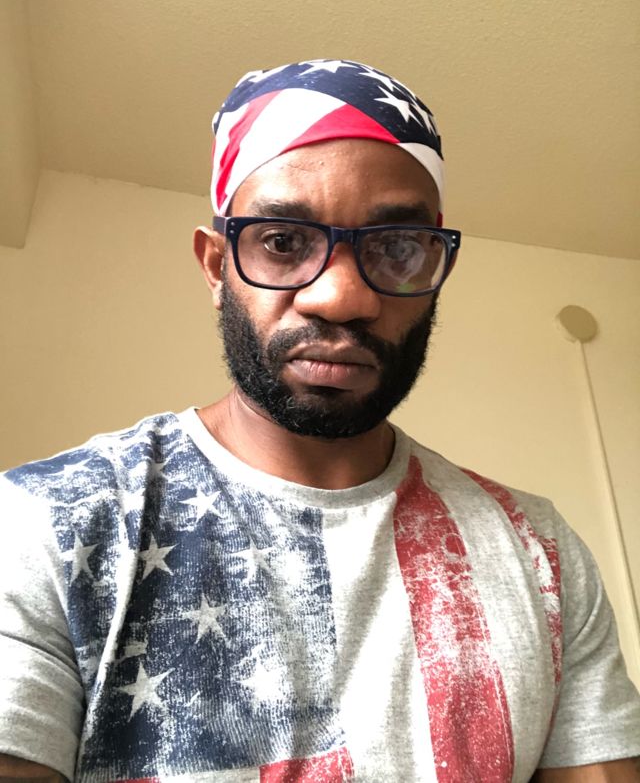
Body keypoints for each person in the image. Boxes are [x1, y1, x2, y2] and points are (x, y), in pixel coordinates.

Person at [0, 60, 639, 783]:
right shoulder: (44, 522)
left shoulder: (540, 551)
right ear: (216, 267)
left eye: (396, 248)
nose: (342, 298)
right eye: (282, 241)